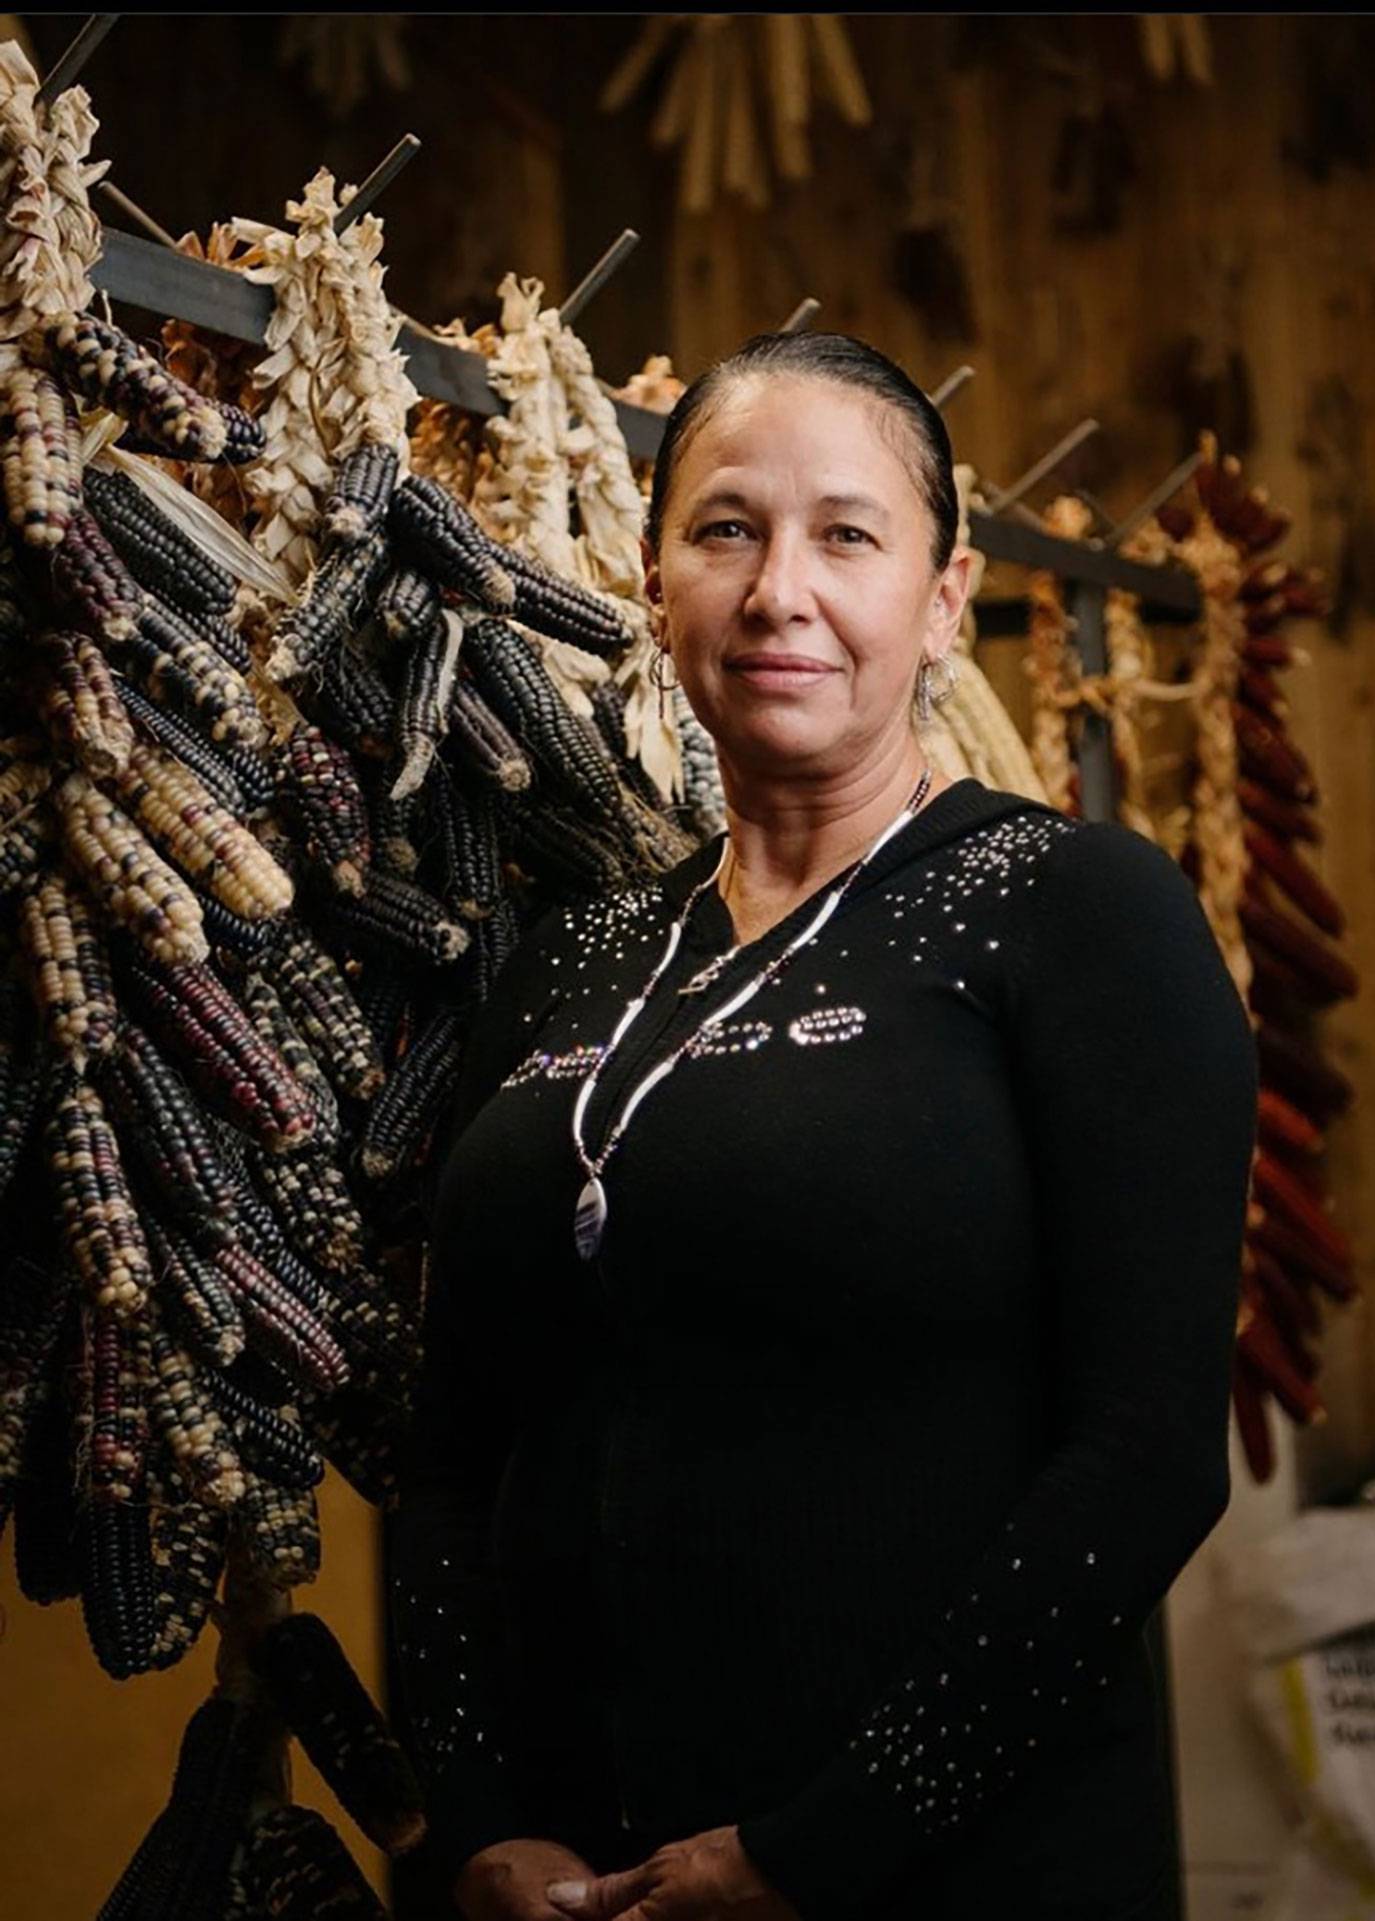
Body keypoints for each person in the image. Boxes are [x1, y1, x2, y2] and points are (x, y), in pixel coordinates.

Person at [387, 330, 1260, 1921]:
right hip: (571, 1882)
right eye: (726, 528)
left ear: (938, 602)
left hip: (942, 1874)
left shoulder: (1072, 913)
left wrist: (813, 1852)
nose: (779, 588)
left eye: (845, 534)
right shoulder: (567, 958)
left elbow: (1142, 1461)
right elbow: (451, 1451)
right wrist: (472, 1819)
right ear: (654, 585)